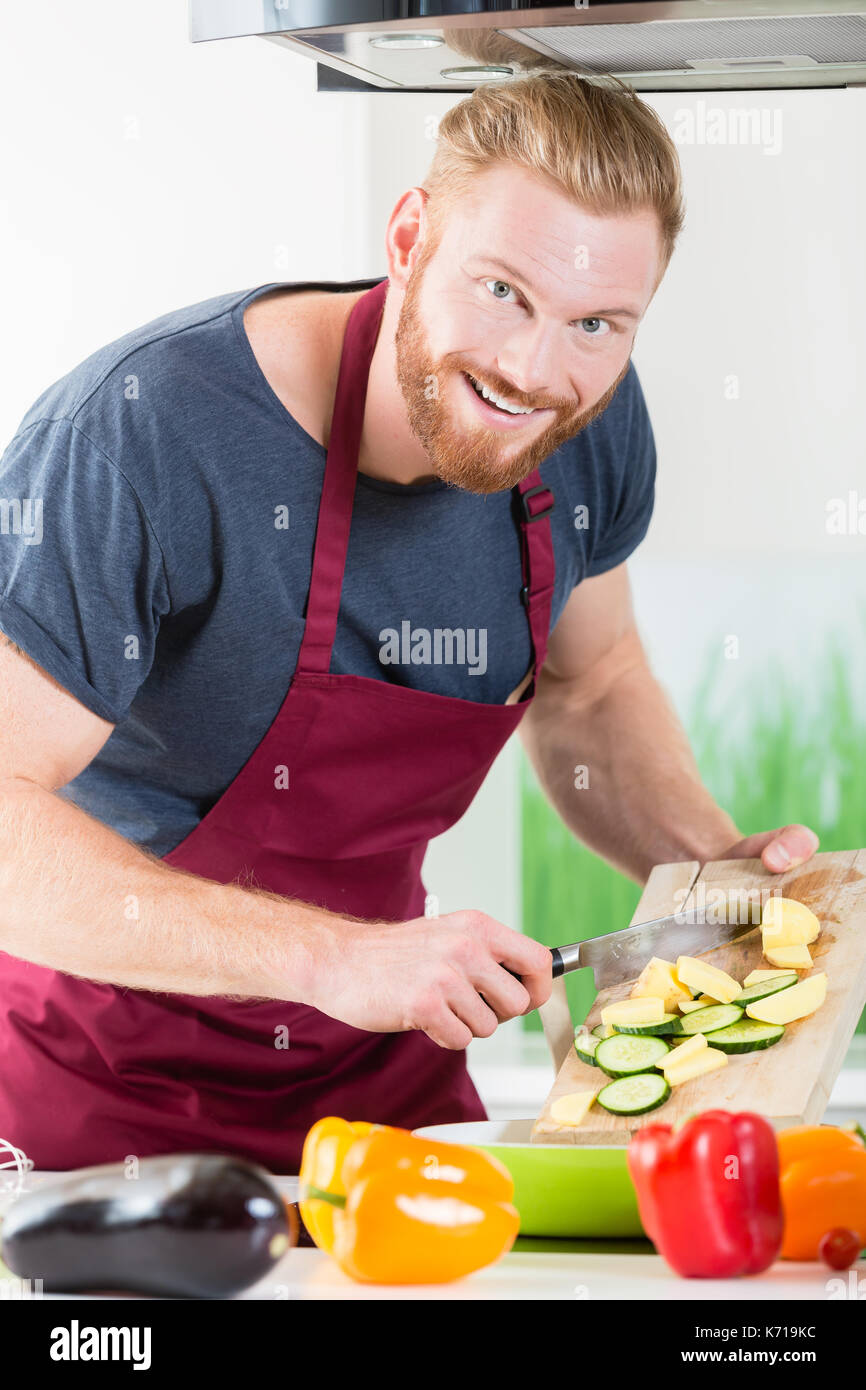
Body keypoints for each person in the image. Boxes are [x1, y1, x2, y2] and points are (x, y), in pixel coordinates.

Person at [0, 73, 817, 1172]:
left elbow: (592, 684)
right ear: (407, 238)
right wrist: (335, 961)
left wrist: (708, 869)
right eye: (501, 291)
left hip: (387, 1083)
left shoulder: (587, 419)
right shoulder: (144, 436)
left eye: (595, 323)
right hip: (104, 1099)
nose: (534, 372)